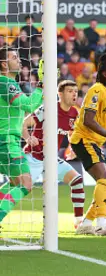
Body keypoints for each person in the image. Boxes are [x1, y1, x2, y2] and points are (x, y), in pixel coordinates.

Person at [71, 54, 106, 236]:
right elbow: (88, 120)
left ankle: (86, 223)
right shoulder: (96, 90)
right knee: (104, 179)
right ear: (104, 73)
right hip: (84, 139)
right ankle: (102, 224)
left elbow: (101, 118)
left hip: (94, 142)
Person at [22, 80, 85, 229]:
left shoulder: (74, 112)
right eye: (70, 91)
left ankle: (79, 223)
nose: (74, 94)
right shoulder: (49, 109)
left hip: (51, 159)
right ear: (60, 94)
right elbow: (24, 123)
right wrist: (28, 137)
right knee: (20, 188)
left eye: (76, 91)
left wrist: (72, 147)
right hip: (34, 157)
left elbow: (71, 133)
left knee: (76, 181)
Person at [0, 48, 43, 225]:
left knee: (14, 182)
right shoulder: (4, 82)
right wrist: (42, 87)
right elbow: (26, 104)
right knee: (25, 183)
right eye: (14, 57)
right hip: (7, 140)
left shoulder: (10, 83)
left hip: (8, 139)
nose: (19, 60)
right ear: (4, 64)